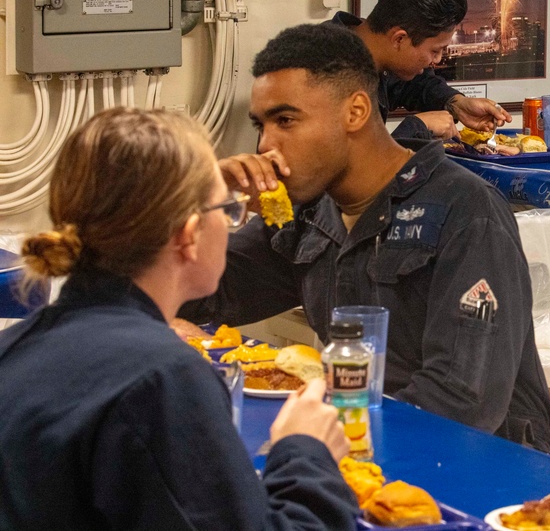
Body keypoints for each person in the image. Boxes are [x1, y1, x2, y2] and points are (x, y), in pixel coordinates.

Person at [180, 23, 550, 454]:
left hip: (482, 475)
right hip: (366, 448)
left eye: (285, 120)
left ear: (356, 112)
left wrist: (324, 450)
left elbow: (463, 401)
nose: (266, 144)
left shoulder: (465, 211)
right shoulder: (310, 211)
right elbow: (198, 297)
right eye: (261, 125)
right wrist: (206, 206)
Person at [0, 108, 358, 530]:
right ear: (189, 235)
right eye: (227, 209)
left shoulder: (16, 348)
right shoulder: (162, 378)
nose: (233, 223)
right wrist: (306, 454)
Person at [323, 0, 512, 140]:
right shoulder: (323, 76)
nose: (437, 60)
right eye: (435, 50)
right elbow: (354, 170)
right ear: (400, 39)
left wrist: (456, 103)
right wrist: (417, 127)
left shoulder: (373, 50)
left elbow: (414, 85)